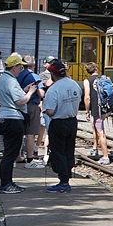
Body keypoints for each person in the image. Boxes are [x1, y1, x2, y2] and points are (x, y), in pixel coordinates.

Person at [40, 59, 81, 193]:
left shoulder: (53, 89)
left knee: (58, 152)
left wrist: (45, 110)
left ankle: (63, 181)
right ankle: (67, 174)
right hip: (72, 121)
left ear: (52, 73)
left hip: (58, 122)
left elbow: (51, 111)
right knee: (69, 150)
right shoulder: (74, 84)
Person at [0, 53, 31, 194]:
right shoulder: (11, 81)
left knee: (9, 152)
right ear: (14, 67)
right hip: (12, 118)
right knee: (11, 153)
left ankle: (7, 182)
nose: (21, 69)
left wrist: (24, 91)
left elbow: (12, 96)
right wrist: (30, 92)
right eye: (20, 67)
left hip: (4, 116)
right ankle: (6, 184)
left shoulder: (2, 79)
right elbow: (20, 101)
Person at [82, 63, 111, 165]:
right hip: (105, 109)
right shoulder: (105, 78)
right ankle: (95, 149)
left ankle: (105, 157)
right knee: (97, 128)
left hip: (96, 109)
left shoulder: (87, 81)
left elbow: (87, 97)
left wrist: (87, 111)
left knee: (100, 132)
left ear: (87, 71)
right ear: (96, 69)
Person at [18, 56, 44, 165]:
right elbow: (41, 93)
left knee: (18, 133)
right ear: (33, 64)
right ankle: (29, 159)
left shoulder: (17, 75)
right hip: (31, 105)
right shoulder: (34, 76)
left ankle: (17, 156)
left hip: (18, 105)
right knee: (30, 133)